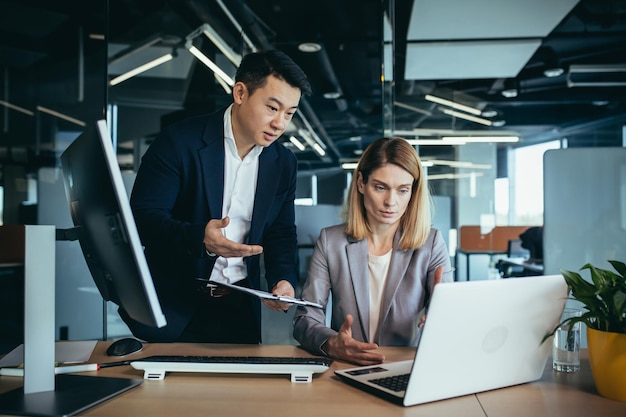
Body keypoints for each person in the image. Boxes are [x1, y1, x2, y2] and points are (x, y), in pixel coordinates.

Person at [126, 49, 312, 343]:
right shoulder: (179, 142)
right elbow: (142, 219)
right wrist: (200, 238)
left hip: (239, 307)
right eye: (272, 108)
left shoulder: (282, 163)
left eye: (289, 113)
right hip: (174, 307)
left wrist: (283, 279)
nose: (280, 123)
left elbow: (281, 232)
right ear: (240, 93)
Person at [293, 137, 453, 365]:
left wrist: (442, 315)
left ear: (412, 193)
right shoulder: (331, 241)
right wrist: (332, 343)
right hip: (346, 367)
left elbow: (449, 318)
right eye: (380, 187)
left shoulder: (432, 243)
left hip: (406, 367)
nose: (391, 202)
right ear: (360, 183)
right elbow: (304, 319)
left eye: (402, 190)